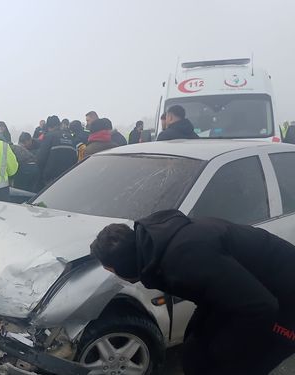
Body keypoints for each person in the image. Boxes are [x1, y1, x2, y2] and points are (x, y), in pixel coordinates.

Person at [91, 209, 295, 375]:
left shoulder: (183, 260)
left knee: (238, 366)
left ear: (120, 266)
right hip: (249, 294)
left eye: (112, 271)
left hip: (285, 304)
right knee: (194, 354)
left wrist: (222, 350)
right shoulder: (156, 248)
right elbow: (212, 292)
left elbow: (261, 308)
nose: (116, 276)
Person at [37, 115, 78, 185]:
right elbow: (75, 157)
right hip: (69, 176)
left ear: (49, 127)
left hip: (52, 178)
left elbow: (41, 158)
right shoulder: (70, 137)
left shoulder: (49, 136)